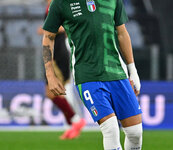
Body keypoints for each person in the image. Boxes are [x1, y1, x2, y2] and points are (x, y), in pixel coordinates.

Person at [42, 0, 143, 149]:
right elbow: (48, 37)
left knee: (135, 133)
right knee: (110, 129)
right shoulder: (61, 3)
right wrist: (50, 75)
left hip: (117, 73)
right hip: (88, 75)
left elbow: (122, 33)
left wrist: (132, 70)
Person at [37, 0, 86, 140]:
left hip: (58, 55)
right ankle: (73, 123)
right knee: (54, 93)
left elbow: (67, 25)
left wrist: (47, 29)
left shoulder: (57, 5)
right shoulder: (50, 6)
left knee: (54, 92)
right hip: (54, 54)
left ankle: (75, 121)